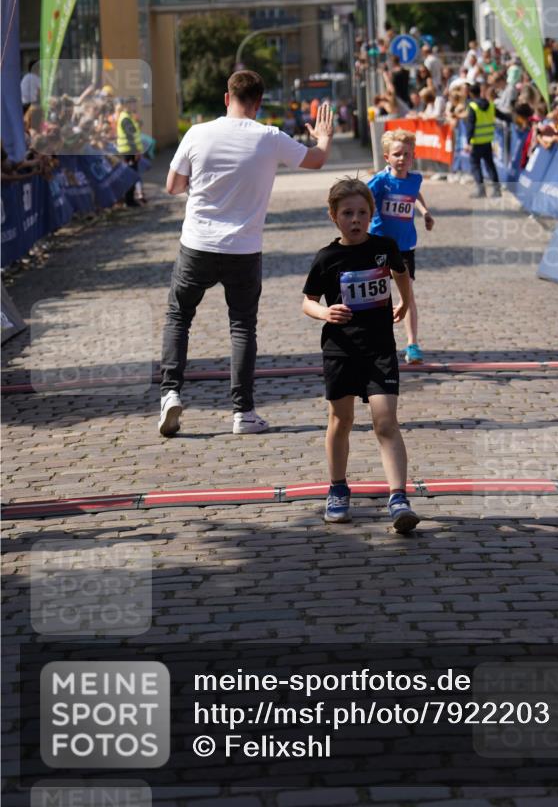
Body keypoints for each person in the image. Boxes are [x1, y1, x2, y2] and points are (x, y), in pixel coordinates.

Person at [159, 69, 334, 438]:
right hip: (243, 248)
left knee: (179, 317)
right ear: (258, 103)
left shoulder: (198, 133)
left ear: (227, 98)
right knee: (241, 326)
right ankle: (244, 412)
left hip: (197, 244)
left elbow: (173, 186)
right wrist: (324, 137)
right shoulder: (269, 138)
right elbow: (316, 160)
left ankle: (171, 392)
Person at [302, 177, 420, 534]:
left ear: (371, 214)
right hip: (340, 350)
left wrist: (404, 301)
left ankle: (398, 498)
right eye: (348, 213)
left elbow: (401, 273)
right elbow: (306, 301)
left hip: (379, 348)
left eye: (362, 213)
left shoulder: (384, 247)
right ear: (333, 216)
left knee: (386, 422)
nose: (356, 219)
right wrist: (324, 313)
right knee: (341, 420)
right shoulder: (327, 258)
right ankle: (337, 488)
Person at [367, 129, 434, 364]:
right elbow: (363, 197)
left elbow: (414, 195)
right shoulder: (380, 181)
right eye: (397, 154)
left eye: (407, 154)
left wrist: (425, 212)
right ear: (387, 157)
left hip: (405, 247)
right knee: (376, 296)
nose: (402, 159)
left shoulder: (414, 180)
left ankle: (412, 344)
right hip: (379, 245)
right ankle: (376, 343)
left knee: (408, 295)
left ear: (413, 157)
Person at [465, 82, 505, 198]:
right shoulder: (490, 105)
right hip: (487, 141)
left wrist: (468, 141)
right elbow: (502, 116)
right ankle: (497, 190)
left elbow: (470, 125)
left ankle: (481, 190)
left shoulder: (473, 106)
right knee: (490, 165)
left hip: (476, 142)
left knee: (475, 165)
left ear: (471, 93)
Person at [115, 96, 144, 206]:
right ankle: (129, 201)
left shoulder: (129, 117)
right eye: (133, 104)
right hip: (128, 151)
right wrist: (136, 151)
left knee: (132, 174)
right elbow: (130, 137)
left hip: (130, 151)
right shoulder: (125, 118)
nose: (135, 106)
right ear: (127, 105)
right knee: (130, 175)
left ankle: (130, 199)